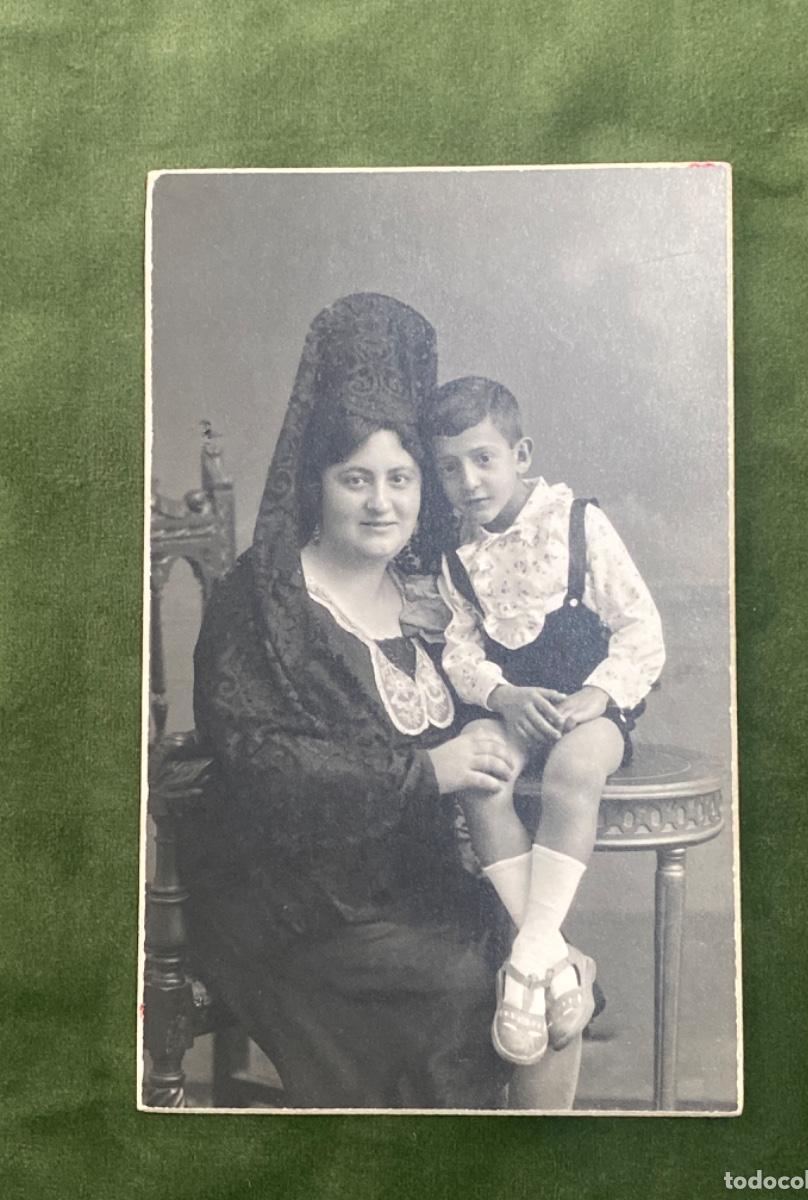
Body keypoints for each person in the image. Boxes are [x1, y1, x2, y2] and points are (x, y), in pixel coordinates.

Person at [179, 296, 580, 1109]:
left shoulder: (434, 596)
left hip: (415, 887)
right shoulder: (264, 597)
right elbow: (259, 765)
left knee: (544, 972)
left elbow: (523, 676)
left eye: (400, 479)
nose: (380, 502)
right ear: (316, 483)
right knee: (482, 982)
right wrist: (426, 771)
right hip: (293, 903)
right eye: (354, 479)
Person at [423, 375, 665, 1067]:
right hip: (517, 708)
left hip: (591, 706)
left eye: (483, 459)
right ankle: (557, 964)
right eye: (449, 467)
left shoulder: (578, 524)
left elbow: (640, 628)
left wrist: (598, 695)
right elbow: (459, 648)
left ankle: (527, 959)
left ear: (520, 455)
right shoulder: (457, 558)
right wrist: (500, 696)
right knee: (481, 776)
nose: (468, 481)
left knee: (572, 770)